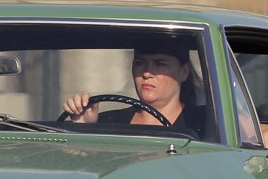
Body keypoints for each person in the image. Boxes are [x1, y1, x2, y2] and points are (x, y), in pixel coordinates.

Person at [62, 37, 213, 139]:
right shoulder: (108, 124)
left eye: (160, 64)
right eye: (140, 63)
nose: (147, 73)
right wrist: (84, 129)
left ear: (184, 71)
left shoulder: (207, 122)